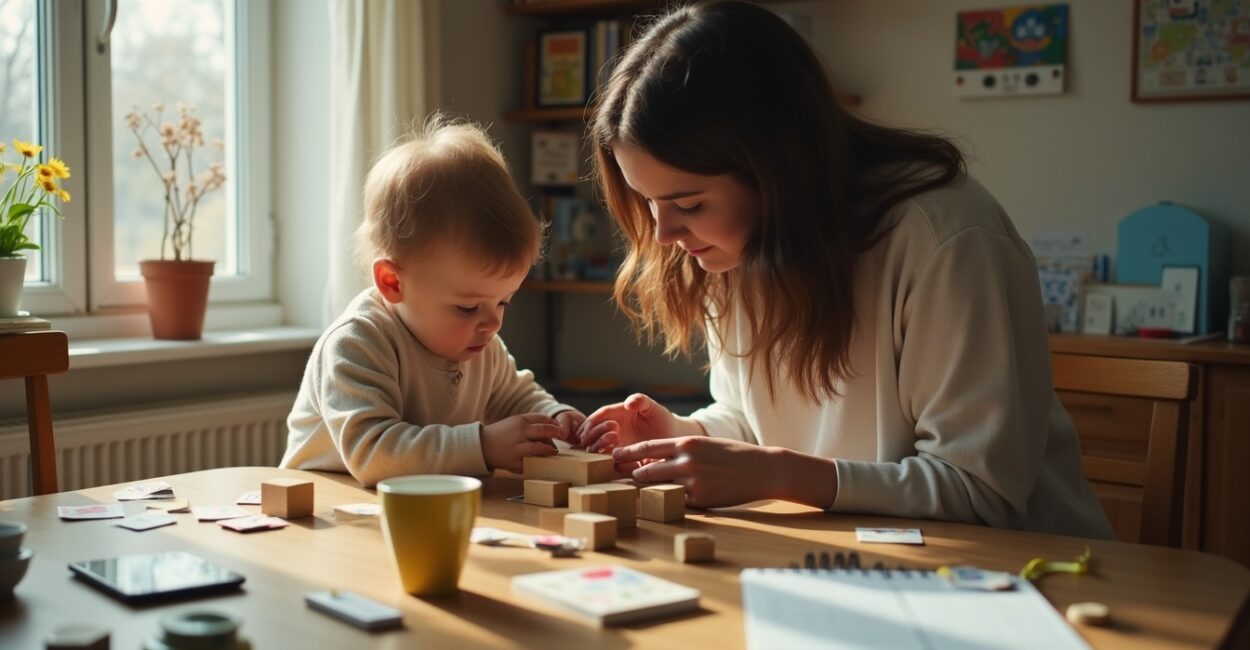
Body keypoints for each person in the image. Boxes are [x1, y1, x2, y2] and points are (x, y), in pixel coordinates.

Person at [575, 1, 1113, 538]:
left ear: (778, 166)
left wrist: (782, 474)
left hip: (1023, 570)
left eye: (689, 205)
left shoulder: (945, 238)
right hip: (863, 555)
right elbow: (754, 422)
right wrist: (679, 435)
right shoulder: (734, 246)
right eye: (648, 202)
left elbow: (981, 491)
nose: (665, 235)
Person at [280, 116, 584, 487]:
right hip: (325, 517)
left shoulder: (481, 343)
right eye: (468, 307)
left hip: (414, 508)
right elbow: (373, 454)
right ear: (393, 282)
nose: (492, 323)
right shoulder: (356, 343)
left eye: (503, 302)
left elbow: (516, 397)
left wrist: (558, 418)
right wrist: (484, 446)